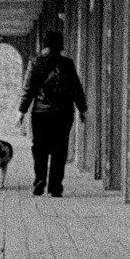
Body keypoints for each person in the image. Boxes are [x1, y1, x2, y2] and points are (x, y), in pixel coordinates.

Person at [17, 30, 87, 196]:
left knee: (39, 147)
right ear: (60, 45)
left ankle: (40, 180)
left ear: (44, 44)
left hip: (40, 113)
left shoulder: (35, 62)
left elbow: (29, 89)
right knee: (60, 149)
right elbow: (76, 88)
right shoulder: (67, 63)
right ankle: (55, 186)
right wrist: (82, 109)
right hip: (63, 113)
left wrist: (21, 111)